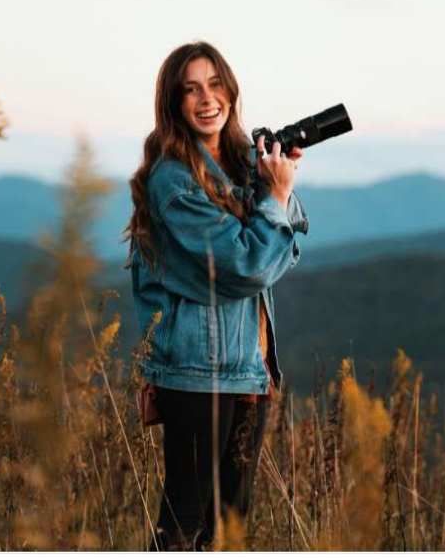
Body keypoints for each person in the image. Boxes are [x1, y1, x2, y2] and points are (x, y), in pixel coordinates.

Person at [124, 41, 309, 550]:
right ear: (173, 104)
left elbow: (282, 256)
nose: (207, 99)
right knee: (184, 523)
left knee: (230, 528)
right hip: (198, 371)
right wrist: (274, 200)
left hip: (251, 366)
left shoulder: (238, 166)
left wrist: (277, 188)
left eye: (214, 84)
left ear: (230, 89)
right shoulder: (174, 179)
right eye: (190, 90)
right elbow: (250, 264)